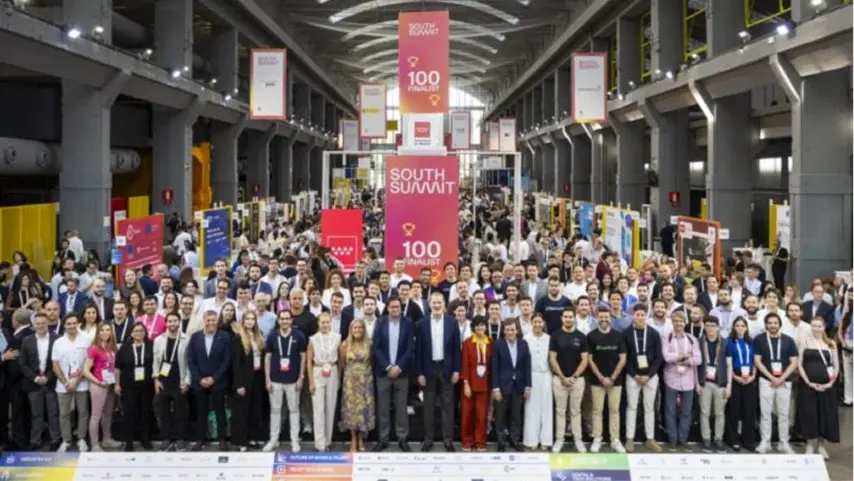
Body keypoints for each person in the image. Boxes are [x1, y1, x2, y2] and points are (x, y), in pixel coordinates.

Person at [415, 292, 460, 452]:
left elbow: (456, 349)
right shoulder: (421, 323)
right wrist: (419, 373)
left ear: (444, 304)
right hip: (428, 370)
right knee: (429, 407)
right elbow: (418, 351)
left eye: (439, 302)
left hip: (447, 369)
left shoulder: (452, 322)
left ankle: (448, 440)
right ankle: (428, 439)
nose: (436, 305)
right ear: (429, 304)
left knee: (448, 406)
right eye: (433, 303)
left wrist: (456, 370)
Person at [371, 297, 414, 452]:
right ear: (387, 308)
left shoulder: (408, 323)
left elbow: (410, 348)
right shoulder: (380, 322)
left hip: (402, 373)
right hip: (383, 373)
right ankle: (383, 439)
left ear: (401, 308)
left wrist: (398, 367)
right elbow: (376, 347)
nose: (395, 309)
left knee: (401, 408)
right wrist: (388, 367)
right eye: (392, 307)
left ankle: (402, 438)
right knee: (383, 408)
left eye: (397, 307)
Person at [753, 312, 798, 454]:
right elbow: (757, 361)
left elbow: (794, 362)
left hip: (784, 381)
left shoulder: (788, 340)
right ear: (766, 324)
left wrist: (782, 378)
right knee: (765, 413)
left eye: (775, 323)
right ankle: (765, 441)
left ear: (780, 324)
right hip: (766, 381)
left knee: (784, 414)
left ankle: (783, 442)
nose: (772, 325)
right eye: (770, 323)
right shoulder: (759, 339)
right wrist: (772, 377)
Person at [186, 310, 231, 451]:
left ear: (217, 321)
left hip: (218, 382)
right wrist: (199, 378)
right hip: (199, 382)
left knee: (219, 411)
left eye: (213, 320)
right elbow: (190, 359)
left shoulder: (225, 337)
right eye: (208, 320)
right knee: (201, 412)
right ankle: (201, 439)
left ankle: (222, 439)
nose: (211, 323)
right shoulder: (195, 337)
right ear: (203, 321)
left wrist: (214, 378)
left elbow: (227, 360)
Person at [263, 310, 306, 453]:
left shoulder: (299, 336)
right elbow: (267, 358)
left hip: (293, 381)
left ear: (291, 320)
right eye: (282, 319)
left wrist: (301, 377)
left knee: (294, 410)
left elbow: (303, 357)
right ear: (278, 320)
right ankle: (273, 439)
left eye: (287, 319)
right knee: (275, 410)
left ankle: (294, 440)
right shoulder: (272, 336)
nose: (285, 321)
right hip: (275, 380)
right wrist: (267, 379)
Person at [622, 304, 663, 453]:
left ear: (646, 316)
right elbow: (624, 358)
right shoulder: (626, 333)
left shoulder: (654, 333)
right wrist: (635, 375)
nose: (640, 317)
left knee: (649, 408)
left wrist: (649, 375)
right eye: (637, 315)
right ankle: (629, 438)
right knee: (631, 407)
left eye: (642, 315)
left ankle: (650, 438)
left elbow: (659, 357)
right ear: (633, 316)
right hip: (633, 376)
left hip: (650, 377)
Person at [586, 307, 627, 453]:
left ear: (610, 318)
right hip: (597, 381)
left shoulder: (618, 336)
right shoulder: (591, 336)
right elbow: (590, 360)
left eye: (606, 317)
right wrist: (601, 378)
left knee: (614, 410)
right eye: (601, 317)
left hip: (616, 381)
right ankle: (597, 438)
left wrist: (612, 378)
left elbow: (623, 359)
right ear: (597, 318)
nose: (604, 320)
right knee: (597, 411)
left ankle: (615, 439)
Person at [798, 316, 840, 459]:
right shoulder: (805, 341)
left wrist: (830, 383)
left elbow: (836, 366)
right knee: (810, 415)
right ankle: (810, 444)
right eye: (814, 325)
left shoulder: (831, 343)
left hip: (827, 387)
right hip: (808, 387)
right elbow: (799, 364)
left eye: (819, 326)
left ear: (824, 327)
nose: (816, 328)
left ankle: (821, 446)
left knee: (825, 415)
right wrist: (808, 382)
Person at [549, 307, 588, 453]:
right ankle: (559, 439)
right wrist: (562, 377)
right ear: (562, 318)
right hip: (559, 380)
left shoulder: (581, 336)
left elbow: (585, 360)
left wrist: (574, 377)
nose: (568, 319)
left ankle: (578, 440)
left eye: (570, 317)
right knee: (560, 411)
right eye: (565, 317)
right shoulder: (555, 335)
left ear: (574, 318)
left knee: (576, 411)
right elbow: (552, 359)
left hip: (577, 380)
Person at [51, 313, 92, 452]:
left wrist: (76, 381)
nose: (72, 326)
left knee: (83, 412)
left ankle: (81, 439)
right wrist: (66, 382)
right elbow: (55, 365)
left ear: (78, 323)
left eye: (74, 323)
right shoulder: (58, 342)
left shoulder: (86, 339)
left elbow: (88, 362)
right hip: (63, 385)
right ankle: (66, 440)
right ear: (64, 325)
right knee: (64, 414)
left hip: (82, 382)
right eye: (68, 323)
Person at [20, 312, 61, 450]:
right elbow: (22, 364)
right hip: (33, 384)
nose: (40, 326)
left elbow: (59, 362)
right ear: (33, 325)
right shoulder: (26, 340)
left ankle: (55, 439)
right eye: (37, 323)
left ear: (47, 323)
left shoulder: (57, 339)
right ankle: (35, 440)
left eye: (43, 323)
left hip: (52, 382)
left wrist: (47, 377)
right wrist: (36, 378)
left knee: (53, 413)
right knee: (36, 414)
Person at [662, 311, 702, 452]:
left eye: (681, 321)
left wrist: (680, 359)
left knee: (686, 411)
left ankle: (683, 439)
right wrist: (686, 356)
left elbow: (698, 359)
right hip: (671, 379)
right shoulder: (667, 337)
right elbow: (666, 357)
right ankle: (673, 439)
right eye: (676, 321)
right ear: (672, 322)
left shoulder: (692, 339)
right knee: (670, 410)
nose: (678, 323)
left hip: (688, 380)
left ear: (685, 323)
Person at [153, 311, 190, 452]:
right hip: (163, 381)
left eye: (175, 321)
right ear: (166, 323)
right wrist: (156, 379)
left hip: (180, 381)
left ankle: (180, 439)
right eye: (170, 321)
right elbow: (156, 361)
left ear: (179, 322)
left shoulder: (186, 339)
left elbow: (190, 362)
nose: (172, 323)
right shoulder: (158, 339)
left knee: (181, 412)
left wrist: (187, 381)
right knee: (163, 413)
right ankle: (166, 439)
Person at [115, 322, 155, 451]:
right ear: (131, 333)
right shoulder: (124, 349)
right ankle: (129, 441)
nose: (139, 333)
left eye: (141, 331)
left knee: (145, 412)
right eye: (136, 331)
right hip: (128, 386)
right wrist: (117, 384)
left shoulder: (151, 346)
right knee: (129, 413)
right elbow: (117, 368)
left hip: (147, 386)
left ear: (145, 333)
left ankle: (145, 439)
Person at [82, 323, 121, 451]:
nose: (105, 332)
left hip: (110, 384)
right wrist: (98, 382)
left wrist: (116, 383)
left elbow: (115, 368)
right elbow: (85, 371)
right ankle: (94, 444)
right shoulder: (94, 348)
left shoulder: (112, 347)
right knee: (96, 415)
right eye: (102, 330)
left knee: (108, 413)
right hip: (98, 385)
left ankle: (106, 439)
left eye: (108, 330)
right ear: (98, 332)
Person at [338, 319, 375, 452]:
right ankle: (353, 439)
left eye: (360, 327)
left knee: (364, 410)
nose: (357, 330)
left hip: (366, 382)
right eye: (355, 328)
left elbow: (372, 361)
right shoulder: (344, 344)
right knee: (351, 411)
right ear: (351, 330)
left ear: (364, 329)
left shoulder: (369, 344)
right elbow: (343, 364)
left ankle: (361, 438)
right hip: (350, 383)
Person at [307, 312, 341, 452]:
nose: (325, 325)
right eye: (322, 322)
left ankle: (328, 441)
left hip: (332, 370)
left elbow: (341, 361)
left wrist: (339, 378)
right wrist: (311, 381)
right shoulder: (313, 339)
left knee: (330, 407)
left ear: (330, 323)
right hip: (318, 370)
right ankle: (319, 443)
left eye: (327, 322)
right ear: (318, 323)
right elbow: (308, 361)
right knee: (318, 409)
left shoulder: (337, 337)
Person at [697, 315, 731, 453]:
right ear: (704, 327)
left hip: (720, 383)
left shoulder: (725, 343)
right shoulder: (699, 342)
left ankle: (718, 439)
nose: (710, 328)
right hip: (704, 382)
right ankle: (706, 438)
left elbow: (729, 365)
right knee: (704, 412)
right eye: (708, 325)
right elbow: (695, 366)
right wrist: (696, 384)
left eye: (713, 325)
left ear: (718, 328)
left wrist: (729, 385)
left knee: (719, 413)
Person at [724, 317, 758, 451]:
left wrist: (753, 376)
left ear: (746, 327)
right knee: (734, 409)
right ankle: (733, 439)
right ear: (733, 327)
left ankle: (748, 440)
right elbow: (727, 363)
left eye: (742, 325)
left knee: (749, 410)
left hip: (749, 376)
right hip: (734, 375)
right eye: (737, 325)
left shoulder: (751, 341)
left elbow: (755, 361)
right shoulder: (729, 341)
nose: (740, 328)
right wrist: (734, 377)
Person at [459, 316, 492, 452]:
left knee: (481, 414)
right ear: (473, 327)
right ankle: (467, 441)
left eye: (482, 325)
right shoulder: (467, 342)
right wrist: (466, 383)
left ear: (486, 327)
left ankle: (480, 441)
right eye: (477, 325)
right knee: (467, 414)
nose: (480, 328)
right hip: (470, 382)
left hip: (485, 382)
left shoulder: (491, 342)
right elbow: (464, 364)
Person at [521, 314, 552, 450]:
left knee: (546, 409)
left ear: (543, 323)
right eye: (535, 322)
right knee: (531, 408)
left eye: (540, 322)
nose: (538, 324)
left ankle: (545, 440)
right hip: (531, 375)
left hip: (546, 375)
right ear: (531, 323)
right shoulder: (525, 339)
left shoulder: (549, 339)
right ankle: (531, 440)